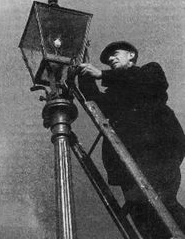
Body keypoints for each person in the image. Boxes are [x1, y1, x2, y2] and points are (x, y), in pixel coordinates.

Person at [78, 41, 185, 238]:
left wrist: (101, 74)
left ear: (131, 55)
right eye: (108, 58)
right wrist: (82, 72)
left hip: (158, 150)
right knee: (141, 214)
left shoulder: (150, 71)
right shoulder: (116, 92)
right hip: (127, 159)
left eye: (115, 54)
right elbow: (96, 102)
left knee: (164, 202)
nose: (111, 59)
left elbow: (143, 82)